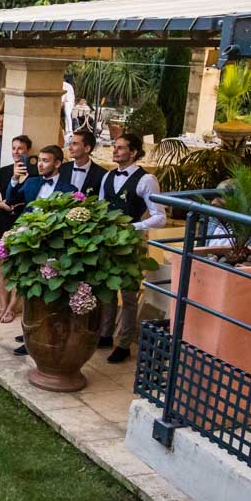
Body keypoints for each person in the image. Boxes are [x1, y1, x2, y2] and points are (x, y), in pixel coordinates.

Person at [96, 131, 166, 365]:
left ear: (133, 152)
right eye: (115, 147)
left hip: (131, 243)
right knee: (106, 290)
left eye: (121, 148)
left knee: (127, 295)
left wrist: (132, 226)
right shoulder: (107, 177)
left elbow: (160, 217)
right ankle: (105, 334)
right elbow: (99, 206)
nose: (115, 151)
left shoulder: (146, 180)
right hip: (108, 241)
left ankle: (124, 344)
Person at [0, 134, 34, 325]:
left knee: (19, 266)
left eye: (20, 149)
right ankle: (2, 304)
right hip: (4, 218)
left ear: (28, 151)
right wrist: (0, 204)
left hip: (23, 221)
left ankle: (12, 307)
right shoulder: (4, 171)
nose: (16, 152)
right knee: (2, 266)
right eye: (14, 148)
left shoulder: (35, 174)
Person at [58, 129, 106, 199]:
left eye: (75, 144)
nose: (70, 148)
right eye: (70, 144)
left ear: (87, 149)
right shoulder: (61, 169)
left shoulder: (101, 174)